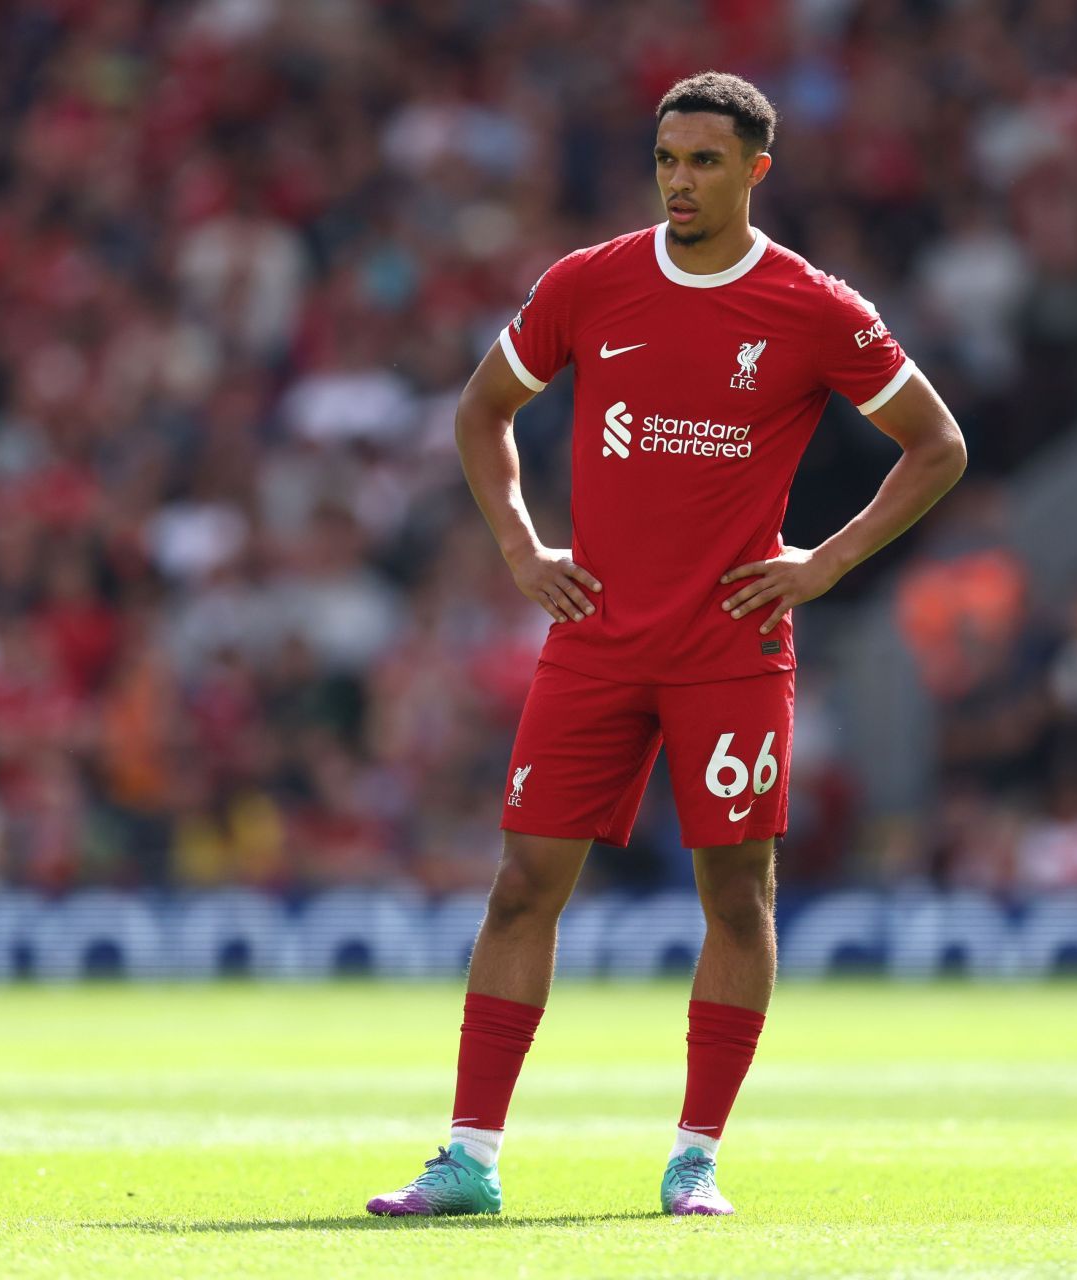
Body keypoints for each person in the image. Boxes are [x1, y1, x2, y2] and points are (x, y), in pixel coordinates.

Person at [366, 72, 966, 1219]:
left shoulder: (813, 306)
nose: (681, 181)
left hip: (731, 644)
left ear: (755, 169)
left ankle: (695, 1156)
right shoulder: (591, 283)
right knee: (518, 885)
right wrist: (520, 546)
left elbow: (936, 445)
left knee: (738, 897)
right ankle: (469, 1157)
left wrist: (823, 563)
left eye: (704, 161)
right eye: (667, 160)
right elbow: (481, 408)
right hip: (595, 636)